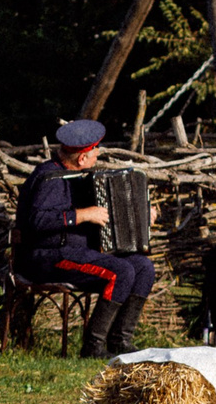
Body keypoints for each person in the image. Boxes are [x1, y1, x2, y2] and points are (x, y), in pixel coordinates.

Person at [14, 119, 154, 357]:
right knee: (121, 272)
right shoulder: (49, 178)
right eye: (94, 155)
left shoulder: (83, 178)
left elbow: (108, 213)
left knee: (143, 268)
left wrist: (143, 216)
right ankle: (93, 347)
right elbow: (36, 222)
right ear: (81, 158)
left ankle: (120, 341)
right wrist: (81, 215)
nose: (96, 159)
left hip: (78, 253)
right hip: (47, 257)